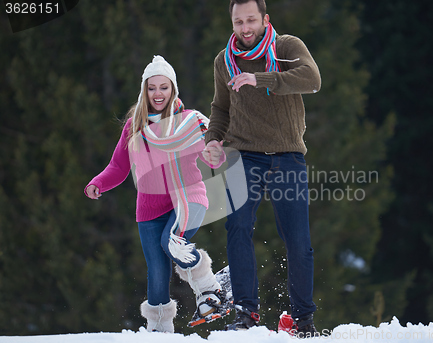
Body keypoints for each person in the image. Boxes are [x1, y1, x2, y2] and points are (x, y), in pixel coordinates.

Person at [203, 0, 321, 335]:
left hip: (287, 154)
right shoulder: (224, 61)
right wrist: (213, 139)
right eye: (238, 21)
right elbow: (220, 108)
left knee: (298, 240)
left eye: (251, 20)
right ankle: (245, 313)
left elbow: (312, 79)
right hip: (244, 154)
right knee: (238, 227)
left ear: (265, 19)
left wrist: (260, 78)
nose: (245, 28)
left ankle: (302, 319)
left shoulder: (286, 46)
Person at [84, 56, 227, 333]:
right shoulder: (134, 127)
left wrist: (215, 153)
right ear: (144, 90)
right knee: (158, 272)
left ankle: (209, 289)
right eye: (152, 88)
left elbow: (213, 156)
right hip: (149, 209)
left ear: (173, 89)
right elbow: (118, 166)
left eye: (164, 87)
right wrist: (97, 183)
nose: (158, 94)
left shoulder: (189, 121)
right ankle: (160, 330)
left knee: (172, 241)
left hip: (189, 198)